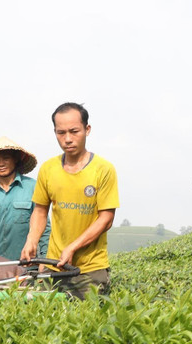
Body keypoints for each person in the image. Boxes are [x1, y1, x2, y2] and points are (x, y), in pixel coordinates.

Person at [22, 102, 120, 299]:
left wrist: (72, 247)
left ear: (87, 129)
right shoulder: (48, 169)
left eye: (74, 131)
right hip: (53, 265)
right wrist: (31, 240)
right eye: (61, 133)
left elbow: (106, 219)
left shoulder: (103, 169)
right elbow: (40, 210)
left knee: (88, 315)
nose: (67, 139)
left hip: (90, 269)